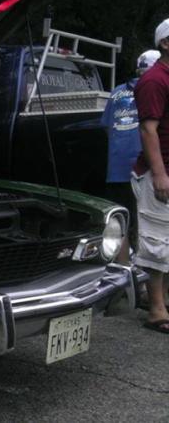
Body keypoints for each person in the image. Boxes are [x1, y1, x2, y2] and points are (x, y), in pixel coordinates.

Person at [103, 49, 160, 265]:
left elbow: (107, 127)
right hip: (145, 169)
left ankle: (123, 271)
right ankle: (148, 275)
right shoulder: (156, 90)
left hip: (117, 169)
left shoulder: (116, 92)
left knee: (120, 222)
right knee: (150, 223)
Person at [132, 19, 169, 333]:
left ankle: (164, 301)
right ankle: (156, 311)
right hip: (159, 173)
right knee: (156, 240)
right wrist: (159, 174)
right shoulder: (155, 80)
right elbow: (148, 129)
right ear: (165, 44)